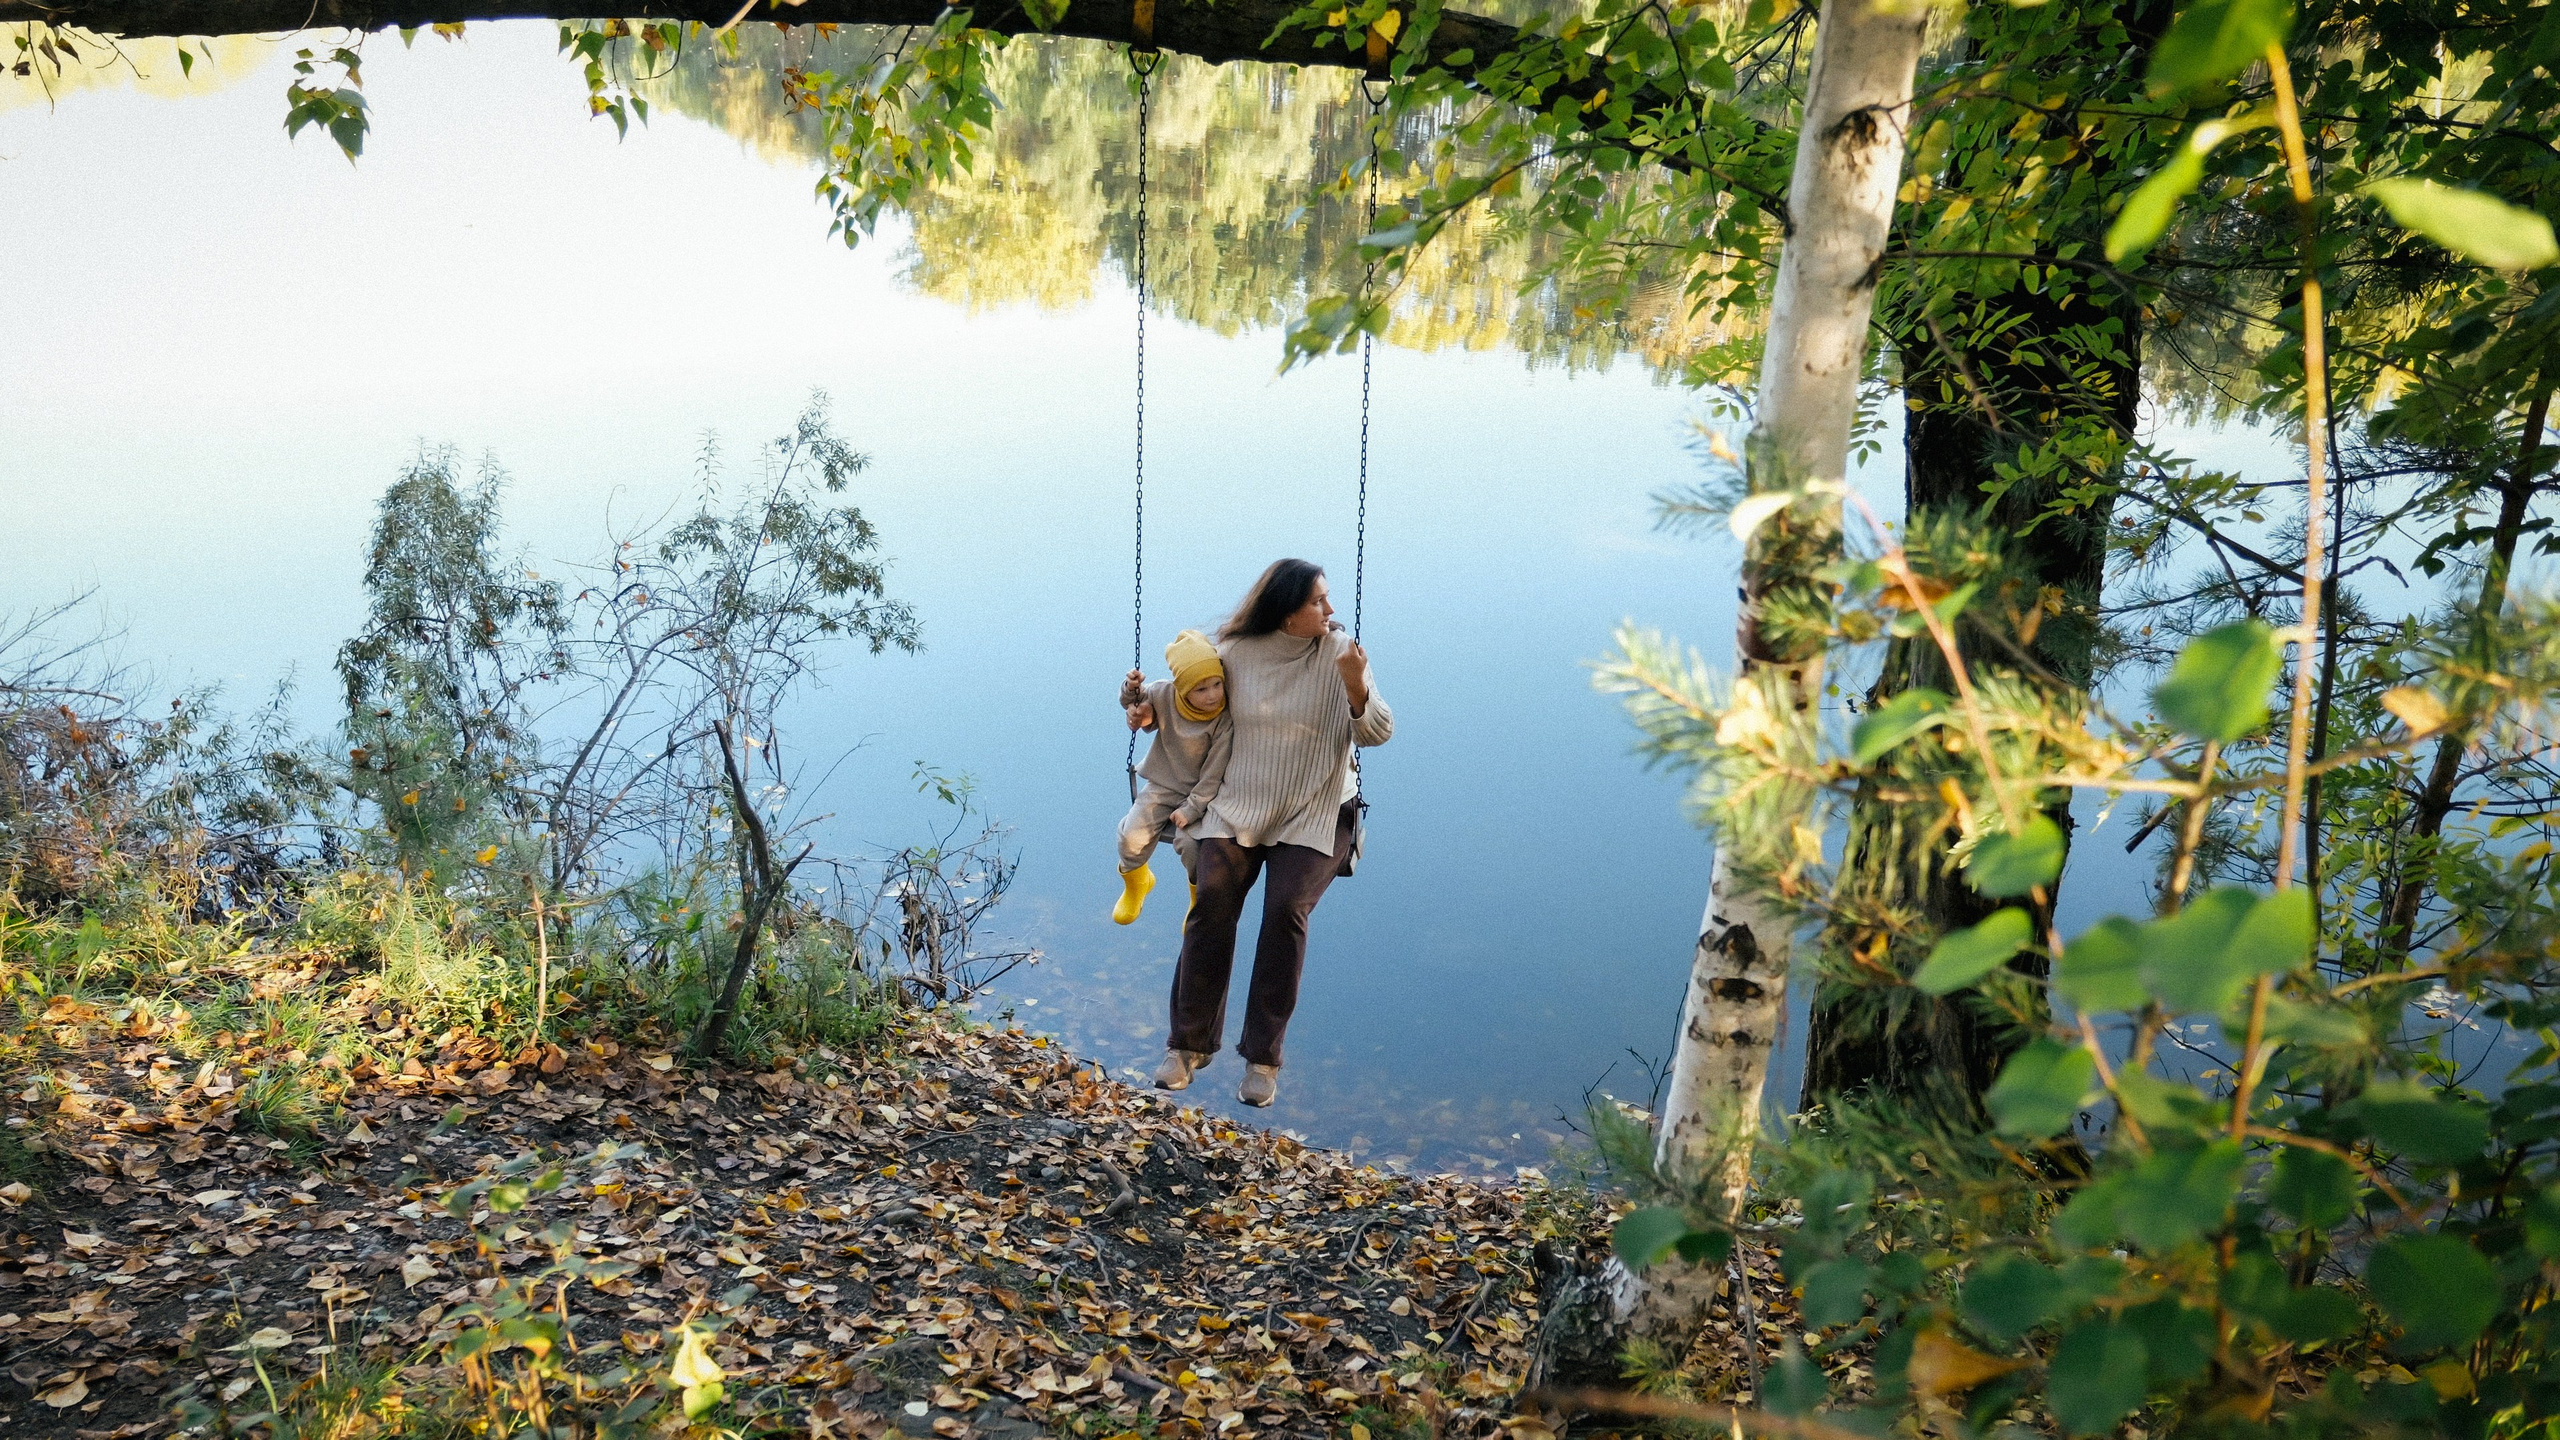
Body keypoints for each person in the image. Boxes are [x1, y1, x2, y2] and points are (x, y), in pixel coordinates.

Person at [1146, 558, 1390, 1108]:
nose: (1331, 611)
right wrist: (1138, 704)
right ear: (1284, 615)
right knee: (1212, 900)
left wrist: (1356, 688)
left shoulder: (1340, 653)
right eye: (1317, 603)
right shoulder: (1234, 656)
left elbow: (1378, 732)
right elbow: (1186, 699)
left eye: (1328, 599)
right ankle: (1187, 1045)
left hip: (1319, 808)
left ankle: (1263, 1058)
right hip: (1240, 805)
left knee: (1285, 912)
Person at [1113, 629, 1233, 925]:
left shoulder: (1224, 718)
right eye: (1201, 689)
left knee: (1193, 848)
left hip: (1204, 795)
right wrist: (1131, 692)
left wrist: (1192, 808)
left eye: (1217, 685)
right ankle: (1138, 882)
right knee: (1131, 838)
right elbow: (1134, 704)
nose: (1212, 695)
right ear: (1182, 689)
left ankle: (1196, 898)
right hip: (1164, 784)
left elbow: (1215, 770)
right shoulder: (1164, 694)